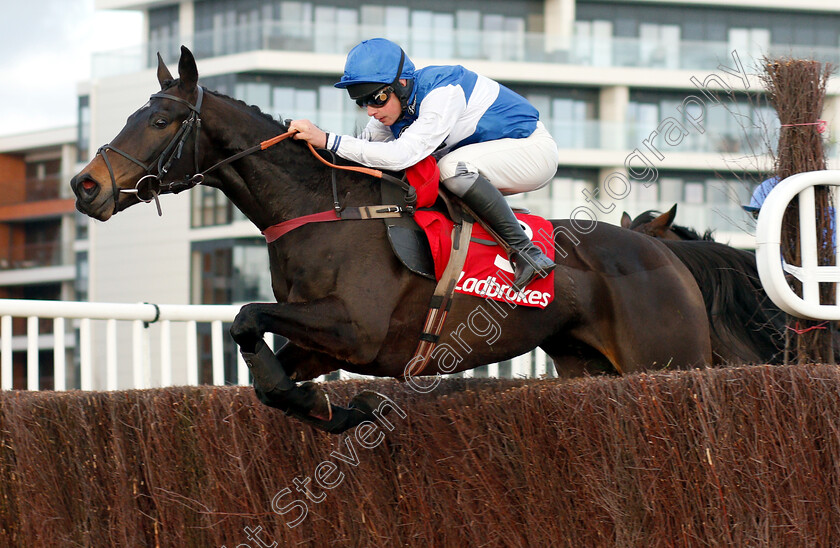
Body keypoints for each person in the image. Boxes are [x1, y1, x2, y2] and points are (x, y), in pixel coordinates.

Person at [289, 38, 558, 289]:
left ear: (402, 84)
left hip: (533, 151)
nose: (371, 110)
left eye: (377, 98)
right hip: (494, 158)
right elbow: (361, 151)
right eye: (362, 102)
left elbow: (402, 155)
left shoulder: (443, 92)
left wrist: (326, 138)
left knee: (451, 168)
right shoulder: (395, 110)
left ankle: (527, 252)